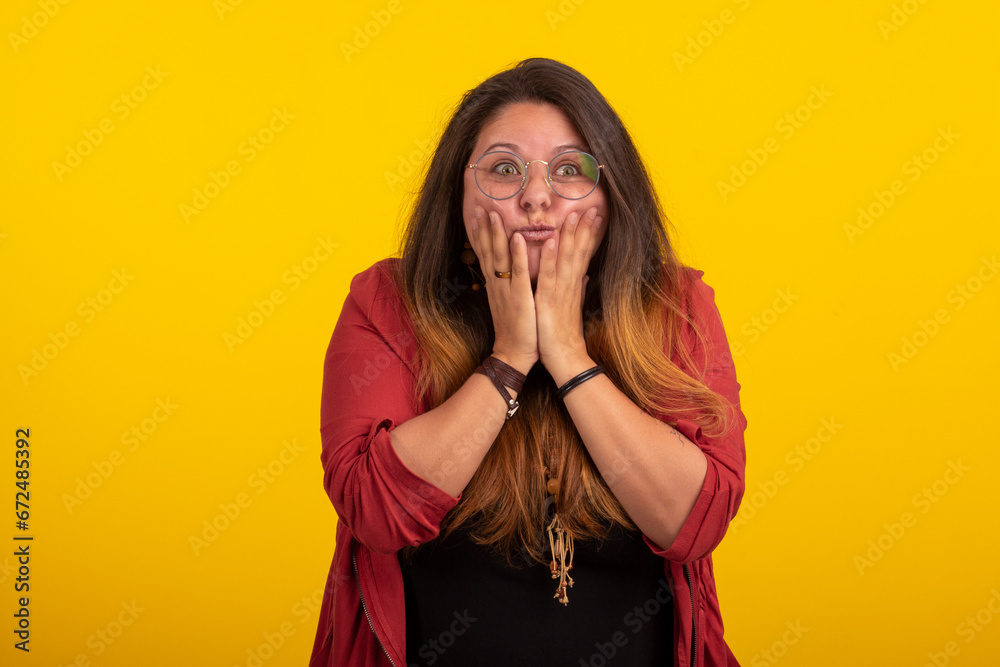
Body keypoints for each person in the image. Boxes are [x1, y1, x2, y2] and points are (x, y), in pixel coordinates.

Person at [309, 57, 747, 667]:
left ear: (612, 192)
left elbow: (693, 521)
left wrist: (567, 354)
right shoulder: (387, 305)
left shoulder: (676, 309)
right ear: (456, 194)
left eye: (570, 170)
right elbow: (374, 510)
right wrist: (510, 357)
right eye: (505, 169)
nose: (537, 197)